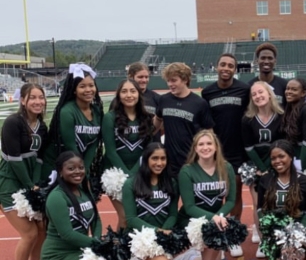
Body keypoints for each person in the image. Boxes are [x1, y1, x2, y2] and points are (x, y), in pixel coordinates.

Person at [41, 151, 117, 260]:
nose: (77, 171)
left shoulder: (83, 191)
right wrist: (97, 244)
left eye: (81, 167)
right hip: (58, 256)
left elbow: (96, 219)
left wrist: (97, 244)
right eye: (71, 168)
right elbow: (67, 234)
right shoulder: (57, 197)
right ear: (60, 171)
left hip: (80, 250)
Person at [0, 83, 49, 260]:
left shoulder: (42, 126)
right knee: (29, 233)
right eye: (33, 98)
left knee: (41, 230)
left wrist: (36, 184)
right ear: (23, 100)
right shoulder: (13, 123)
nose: (38, 102)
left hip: (30, 183)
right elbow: (14, 159)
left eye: (41, 97)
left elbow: (38, 160)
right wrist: (30, 185)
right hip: (9, 183)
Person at [201, 53, 250, 256]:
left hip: (238, 151)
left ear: (235, 69)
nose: (226, 68)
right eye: (223, 64)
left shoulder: (244, 89)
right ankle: (216, 234)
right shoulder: (207, 92)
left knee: (235, 193)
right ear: (216, 66)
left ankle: (233, 234)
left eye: (231, 65)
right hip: (216, 152)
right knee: (213, 195)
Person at [177, 130, 236, 260]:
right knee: (214, 231)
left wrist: (220, 216)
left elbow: (231, 201)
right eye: (201, 144)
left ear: (216, 147)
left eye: (209, 143)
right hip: (192, 221)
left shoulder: (226, 168)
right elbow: (189, 207)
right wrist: (214, 217)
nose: (205, 147)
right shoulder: (187, 171)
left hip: (217, 220)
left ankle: (192, 258)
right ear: (195, 149)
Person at [122, 143, 179, 260]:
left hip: (162, 236)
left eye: (163, 158)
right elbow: (131, 219)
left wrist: (164, 232)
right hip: (140, 239)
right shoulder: (130, 184)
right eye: (155, 158)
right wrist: (157, 231)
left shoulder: (171, 183)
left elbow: (173, 214)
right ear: (146, 159)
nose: (159, 163)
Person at [257, 140, 306, 260]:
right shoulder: (266, 180)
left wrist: (297, 232)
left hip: (297, 233)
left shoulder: (304, 181)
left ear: (291, 157)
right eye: (273, 158)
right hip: (276, 232)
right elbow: (260, 209)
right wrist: (269, 229)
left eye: (281, 156)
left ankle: (305, 253)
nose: (277, 161)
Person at [102, 79, 153, 230]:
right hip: (115, 174)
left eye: (132, 91)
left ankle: (129, 250)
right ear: (118, 95)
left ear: (139, 94)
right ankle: (119, 252)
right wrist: (127, 175)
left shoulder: (146, 118)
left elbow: (147, 150)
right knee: (125, 217)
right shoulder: (110, 118)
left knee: (137, 216)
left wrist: (136, 172)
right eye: (124, 91)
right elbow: (110, 151)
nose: (129, 95)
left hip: (139, 172)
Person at [242, 81, 284, 254]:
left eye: (261, 92)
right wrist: (261, 167)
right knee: (259, 204)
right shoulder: (247, 119)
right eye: (254, 94)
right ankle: (263, 240)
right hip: (256, 166)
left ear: (269, 94)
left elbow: (283, 143)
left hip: (278, 164)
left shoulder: (281, 116)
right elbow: (248, 147)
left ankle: (278, 237)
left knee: (276, 203)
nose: (258, 96)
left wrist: (270, 166)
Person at [41, 63, 103, 181]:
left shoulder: (97, 111)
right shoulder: (67, 111)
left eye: (91, 85)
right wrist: (81, 169)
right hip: (57, 165)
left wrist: (85, 168)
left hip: (77, 167)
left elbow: (94, 143)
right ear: (74, 90)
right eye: (82, 86)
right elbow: (71, 145)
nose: (88, 90)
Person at [154, 62, 214, 177]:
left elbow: (209, 133)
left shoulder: (199, 103)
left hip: (192, 161)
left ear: (185, 80)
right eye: (168, 81)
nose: (170, 84)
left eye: (174, 80)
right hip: (169, 162)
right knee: (170, 194)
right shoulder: (164, 100)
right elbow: (156, 123)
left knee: (190, 195)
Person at [281, 78, 306, 171]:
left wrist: (301, 167)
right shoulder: (288, 108)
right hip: (294, 154)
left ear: (303, 93)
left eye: (294, 89)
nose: (289, 92)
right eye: (287, 88)